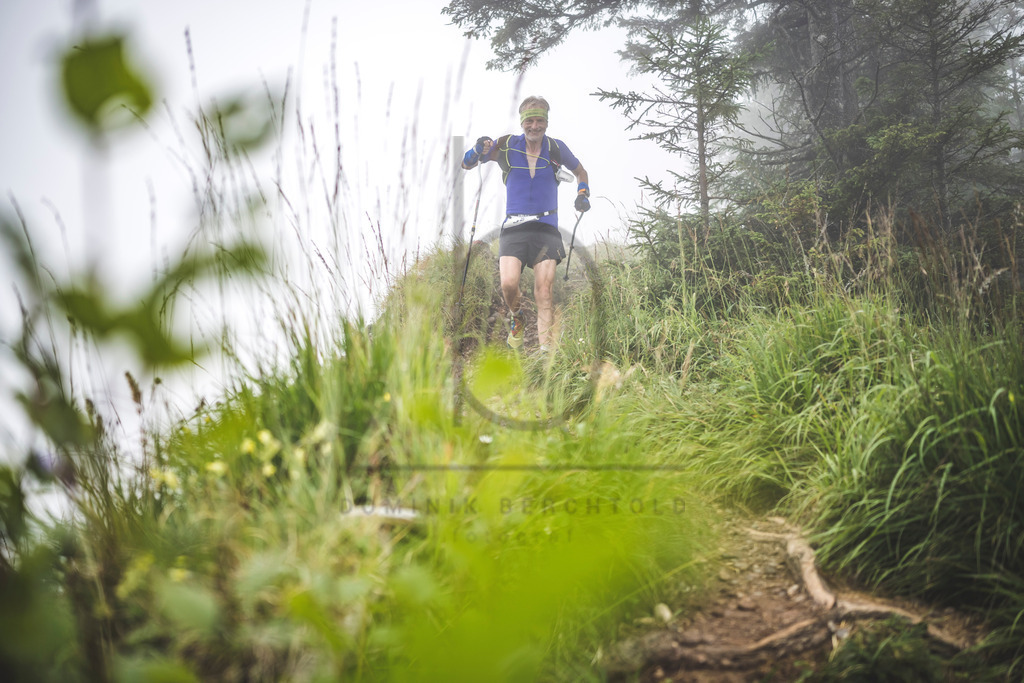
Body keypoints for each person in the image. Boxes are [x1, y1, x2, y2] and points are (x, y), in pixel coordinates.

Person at [461, 96, 590, 350]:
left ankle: (544, 357)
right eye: (529, 121)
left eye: (540, 120)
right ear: (522, 122)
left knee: (544, 293)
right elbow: (467, 163)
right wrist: (477, 148)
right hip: (514, 228)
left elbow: (580, 172)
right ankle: (517, 317)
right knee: (508, 284)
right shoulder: (507, 145)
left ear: (546, 122)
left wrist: (583, 193)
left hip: (546, 227)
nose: (534, 126)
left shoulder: (556, 148)